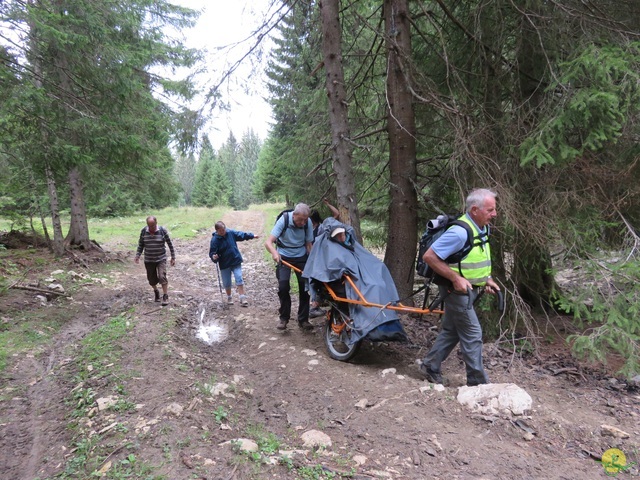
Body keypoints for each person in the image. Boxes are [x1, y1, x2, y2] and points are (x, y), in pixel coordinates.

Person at [419, 188, 500, 387]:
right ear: (474, 210)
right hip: (455, 290)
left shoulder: (481, 228)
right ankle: (477, 383)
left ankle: (430, 365)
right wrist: (455, 278)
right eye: (490, 210)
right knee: (473, 334)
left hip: (469, 288)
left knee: (452, 330)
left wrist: (486, 279)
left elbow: (476, 258)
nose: (494, 214)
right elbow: (429, 257)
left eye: (494, 209)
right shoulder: (459, 232)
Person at [265, 203, 314, 331]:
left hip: (301, 256)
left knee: (305, 288)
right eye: (300, 220)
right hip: (284, 257)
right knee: (283, 287)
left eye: (305, 220)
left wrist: (313, 259)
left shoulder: (307, 222)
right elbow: (268, 242)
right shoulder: (284, 220)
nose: (303, 223)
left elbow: (309, 244)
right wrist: (275, 253)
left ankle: (303, 319)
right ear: (294, 215)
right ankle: (284, 318)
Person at [209, 221, 259, 307]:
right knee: (227, 282)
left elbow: (241, 234)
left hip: (235, 259)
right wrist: (214, 257)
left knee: (239, 278)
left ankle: (242, 297)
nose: (223, 231)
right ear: (217, 231)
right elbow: (212, 253)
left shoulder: (230, 233)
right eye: (221, 230)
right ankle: (229, 297)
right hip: (224, 263)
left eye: (224, 229)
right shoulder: (214, 240)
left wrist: (252, 236)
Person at [134, 216, 176, 306]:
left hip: (161, 258)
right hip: (149, 259)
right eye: (149, 225)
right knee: (151, 280)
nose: (151, 227)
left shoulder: (162, 231)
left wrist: (173, 257)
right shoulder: (144, 231)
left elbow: (170, 244)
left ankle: (165, 296)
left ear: (156, 223)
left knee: (162, 276)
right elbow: (141, 244)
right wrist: (138, 255)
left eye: (152, 225)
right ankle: (156, 291)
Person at [309, 199, 340, 318]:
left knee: (314, 282)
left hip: (320, 259)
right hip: (310, 259)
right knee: (310, 283)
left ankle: (315, 306)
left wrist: (328, 204)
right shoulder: (306, 229)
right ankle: (314, 305)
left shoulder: (322, 228)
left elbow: (336, 214)